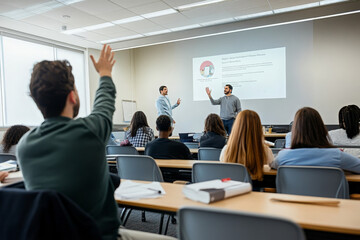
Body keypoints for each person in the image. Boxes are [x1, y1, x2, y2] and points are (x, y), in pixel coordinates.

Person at [17, 45, 175, 240]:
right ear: (72, 97)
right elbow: (104, 102)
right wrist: (105, 72)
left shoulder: (25, 145)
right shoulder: (89, 131)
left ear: (37, 101)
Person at [270, 107, 360, 173]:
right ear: (321, 128)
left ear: (294, 131)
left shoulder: (282, 157)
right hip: (330, 198)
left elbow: (271, 164)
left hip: (293, 198)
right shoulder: (336, 156)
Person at [219, 110, 274, 181]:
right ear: (258, 128)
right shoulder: (266, 151)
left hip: (233, 190)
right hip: (256, 190)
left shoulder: (226, 150)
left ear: (236, 127)